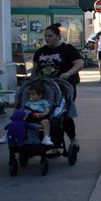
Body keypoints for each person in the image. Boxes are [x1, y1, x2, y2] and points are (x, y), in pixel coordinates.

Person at [31, 23, 83, 151]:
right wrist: (32, 81)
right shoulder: (40, 52)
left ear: (58, 36)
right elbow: (35, 70)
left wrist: (68, 73)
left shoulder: (67, 49)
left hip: (63, 86)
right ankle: (52, 139)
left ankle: (72, 139)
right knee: (44, 113)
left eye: (50, 36)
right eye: (45, 36)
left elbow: (79, 63)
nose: (47, 38)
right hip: (44, 87)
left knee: (62, 113)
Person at [22, 81, 57, 151]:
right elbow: (25, 110)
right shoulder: (28, 102)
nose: (30, 96)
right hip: (30, 115)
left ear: (40, 95)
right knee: (20, 121)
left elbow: (47, 110)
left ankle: (46, 137)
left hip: (40, 115)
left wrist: (43, 114)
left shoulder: (43, 102)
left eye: (33, 94)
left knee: (46, 122)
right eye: (29, 94)